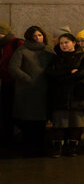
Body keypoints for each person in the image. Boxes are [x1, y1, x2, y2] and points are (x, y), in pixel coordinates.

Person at [45, 32, 84, 157]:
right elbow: (50, 74)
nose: (63, 45)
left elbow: (83, 73)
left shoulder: (82, 57)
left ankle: (72, 147)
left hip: (78, 95)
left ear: (73, 43)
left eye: (66, 42)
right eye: (61, 43)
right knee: (60, 122)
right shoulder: (55, 58)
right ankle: (57, 147)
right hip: (60, 95)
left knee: (76, 122)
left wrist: (63, 75)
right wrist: (69, 73)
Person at [9, 25, 52, 156]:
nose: (38, 38)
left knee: (41, 122)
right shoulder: (22, 50)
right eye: (35, 36)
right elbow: (13, 68)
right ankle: (28, 149)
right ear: (29, 37)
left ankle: (40, 148)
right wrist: (28, 79)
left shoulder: (48, 50)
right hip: (27, 92)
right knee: (28, 123)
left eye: (40, 35)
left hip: (44, 90)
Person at [0, 23, 21, 152]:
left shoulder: (15, 43)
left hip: (15, 82)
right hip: (5, 81)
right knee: (5, 112)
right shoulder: (2, 45)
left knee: (12, 111)